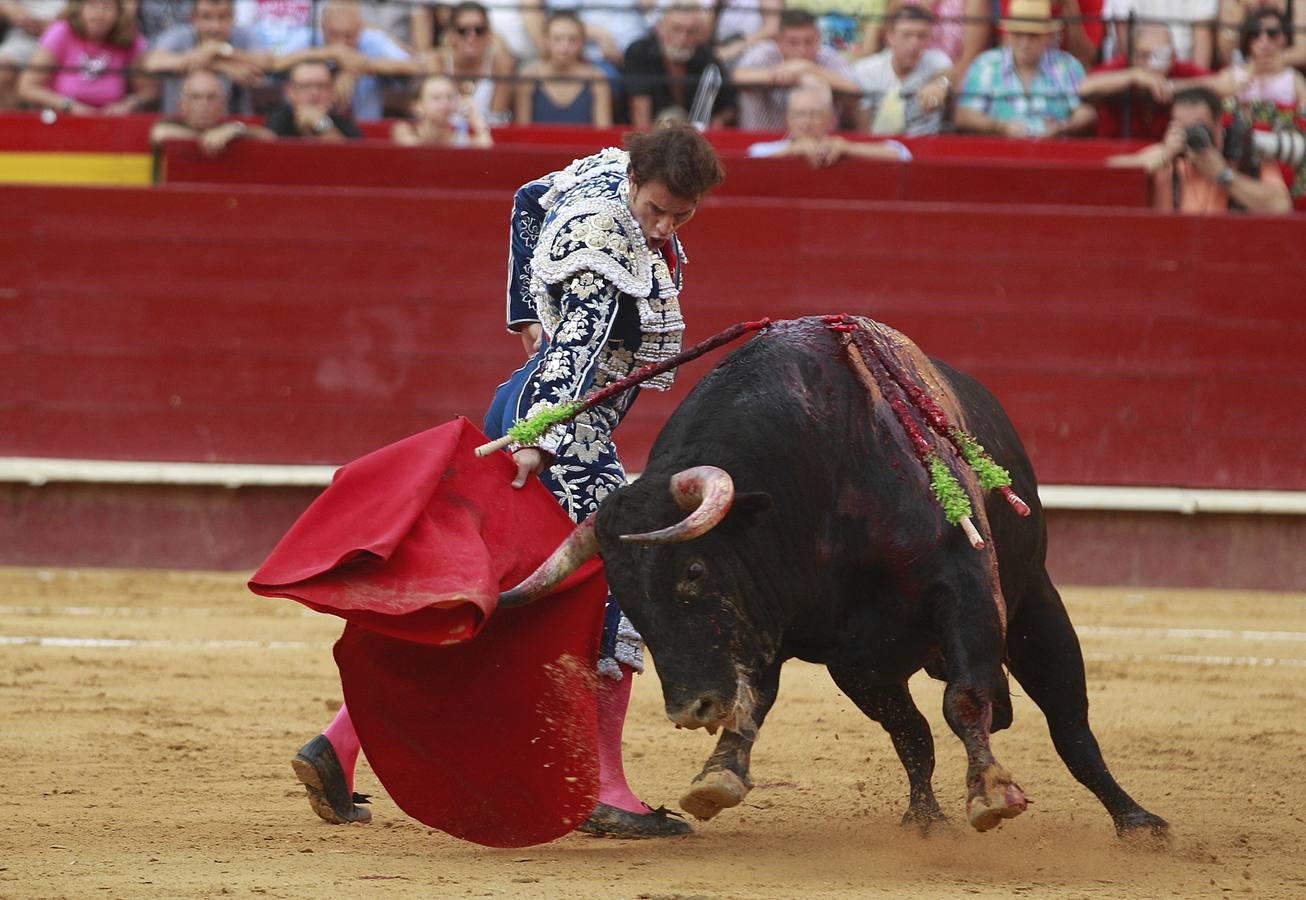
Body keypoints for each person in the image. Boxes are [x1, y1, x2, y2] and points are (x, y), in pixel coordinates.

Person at [292, 124, 726, 839]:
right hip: (559, 430)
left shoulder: (604, 173)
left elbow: (528, 200)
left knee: (485, 594)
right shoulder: (603, 249)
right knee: (616, 584)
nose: (663, 225)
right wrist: (539, 443)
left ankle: (338, 746)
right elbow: (579, 353)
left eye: (682, 214)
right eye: (655, 209)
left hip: (534, 408)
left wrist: (525, 314)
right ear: (636, 183)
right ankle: (606, 787)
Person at [1108, 86, 1292, 212]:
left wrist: (1224, 175)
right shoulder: (1165, 155)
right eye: (1183, 127)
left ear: (1218, 125)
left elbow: (1281, 206)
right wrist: (1164, 155)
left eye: (1198, 127)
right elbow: (1107, 174)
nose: (1190, 135)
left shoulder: (1245, 154)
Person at [954, 0, 1096, 137]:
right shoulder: (986, 65)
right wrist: (1000, 127)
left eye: (1033, 35)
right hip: (1000, 154)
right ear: (1008, 33)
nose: (1024, 42)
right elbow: (963, 115)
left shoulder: (1067, 66)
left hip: (1052, 152)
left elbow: (1087, 112)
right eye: (1018, 34)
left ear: (1047, 37)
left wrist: (1061, 128)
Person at [277, 0, 417, 122]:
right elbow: (275, 63)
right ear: (322, 28)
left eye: (349, 36)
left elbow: (415, 67)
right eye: (334, 34)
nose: (341, 43)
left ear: (360, 29)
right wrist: (326, 53)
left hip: (363, 130)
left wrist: (358, 68)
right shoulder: (306, 37)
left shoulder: (373, 39)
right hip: (301, 126)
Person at [17, 0, 157, 114]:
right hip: (62, 119)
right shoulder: (61, 32)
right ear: (79, 8)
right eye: (92, 5)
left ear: (119, 14)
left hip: (111, 124)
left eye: (107, 7)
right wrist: (68, 105)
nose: (99, 14)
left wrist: (128, 104)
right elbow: (27, 86)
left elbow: (150, 90)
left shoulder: (128, 39)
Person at [1078, 21, 1210, 140]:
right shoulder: (1124, 66)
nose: (1149, 64)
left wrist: (1170, 86)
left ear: (1172, 56)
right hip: (1116, 154)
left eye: (1159, 55)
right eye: (1143, 55)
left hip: (1168, 156)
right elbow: (1082, 87)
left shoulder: (1179, 69)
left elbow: (1225, 83)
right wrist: (1133, 76)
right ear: (1132, 55)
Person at [733, 9, 861, 130]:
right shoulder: (764, 52)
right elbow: (736, 77)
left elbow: (855, 90)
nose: (802, 49)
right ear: (779, 41)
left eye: (809, 41)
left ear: (818, 38)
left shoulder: (827, 55)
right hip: (759, 142)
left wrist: (807, 68)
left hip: (819, 147)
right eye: (793, 43)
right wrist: (779, 76)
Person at [144, 0, 273, 116]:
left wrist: (220, 49)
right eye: (206, 17)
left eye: (222, 17)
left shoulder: (244, 35)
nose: (215, 26)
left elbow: (266, 62)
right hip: (180, 123)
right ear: (194, 19)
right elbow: (152, 62)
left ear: (233, 18)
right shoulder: (179, 35)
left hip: (232, 125)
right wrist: (223, 66)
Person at [624, 2, 737, 128]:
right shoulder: (640, 52)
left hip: (694, 136)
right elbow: (640, 112)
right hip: (654, 134)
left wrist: (715, 125)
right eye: (677, 29)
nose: (683, 38)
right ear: (660, 29)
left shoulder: (707, 59)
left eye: (691, 32)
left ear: (699, 33)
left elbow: (729, 105)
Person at [747, 78, 913, 163]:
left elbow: (902, 154)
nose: (807, 121)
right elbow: (751, 159)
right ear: (788, 119)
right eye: (800, 114)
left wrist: (850, 148)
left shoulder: (841, 147)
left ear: (831, 120)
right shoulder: (768, 149)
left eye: (814, 114)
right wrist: (791, 151)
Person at [852, 4, 955, 136]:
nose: (914, 43)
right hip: (881, 148)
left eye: (922, 36)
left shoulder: (937, 61)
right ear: (890, 37)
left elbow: (948, 75)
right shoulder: (866, 70)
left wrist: (940, 84)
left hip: (927, 146)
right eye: (907, 35)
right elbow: (863, 131)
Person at [421, 0, 514, 125]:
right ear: (452, 34)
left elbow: (497, 121)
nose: (471, 37)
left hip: (486, 139)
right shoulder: (437, 62)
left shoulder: (501, 65)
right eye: (463, 30)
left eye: (479, 30)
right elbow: (434, 118)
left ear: (489, 34)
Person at [514, 11, 613, 126]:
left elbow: (603, 131)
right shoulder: (528, 77)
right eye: (557, 39)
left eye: (573, 39)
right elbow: (522, 130)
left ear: (582, 42)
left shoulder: (597, 77)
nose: (565, 46)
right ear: (546, 41)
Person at [149, 68, 276, 154]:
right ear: (182, 105)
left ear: (223, 104)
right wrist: (211, 138)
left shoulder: (229, 129)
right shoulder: (169, 123)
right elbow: (159, 134)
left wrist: (237, 130)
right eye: (196, 97)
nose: (204, 104)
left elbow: (269, 137)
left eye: (211, 97)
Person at [1214, 7, 1306, 108]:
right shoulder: (1232, 75)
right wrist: (1228, 92)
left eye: (1272, 33)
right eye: (1255, 33)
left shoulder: (1294, 79)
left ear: (1284, 38)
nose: (1264, 41)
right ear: (1248, 38)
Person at [1102, 0, 1219, 69]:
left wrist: (1194, 89)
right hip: (1136, 71)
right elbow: (1126, 49)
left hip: (1182, 71)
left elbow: (1201, 64)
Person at [264, 59, 361, 138]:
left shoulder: (343, 121)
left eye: (322, 86)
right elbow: (267, 144)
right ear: (291, 92)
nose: (315, 92)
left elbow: (350, 156)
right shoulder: (279, 118)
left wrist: (321, 124)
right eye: (306, 86)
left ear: (331, 91)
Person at [393, 72, 493, 146]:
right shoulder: (404, 129)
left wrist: (475, 119)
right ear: (417, 106)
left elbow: (487, 150)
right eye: (436, 98)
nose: (445, 103)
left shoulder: (460, 138)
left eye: (450, 97)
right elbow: (415, 149)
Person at [0, 0, 64, 109]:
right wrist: (12, 11)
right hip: (22, 38)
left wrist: (53, 26)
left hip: (64, 36)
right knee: (3, 68)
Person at [1216, 0, 1306, 68]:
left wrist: (1262, 63)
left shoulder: (1299, 3)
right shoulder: (1234, 2)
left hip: (1287, 72)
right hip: (1245, 73)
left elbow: (1302, 53)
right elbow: (1226, 55)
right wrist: (1238, 17)